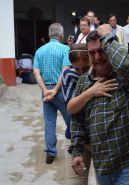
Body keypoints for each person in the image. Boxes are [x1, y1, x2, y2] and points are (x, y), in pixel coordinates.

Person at [70, 25, 129, 185]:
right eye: (92, 53)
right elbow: (78, 120)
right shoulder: (83, 82)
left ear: (110, 47)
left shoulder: (126, 74)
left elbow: (127, 65)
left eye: (102, 50)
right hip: (102, 165)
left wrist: (108, 37)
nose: (97, 57)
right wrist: (76, 151)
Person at [62, 43, 118, 185]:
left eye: (85, 68)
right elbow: (71, 108)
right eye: (76, 68)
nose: (80, 72)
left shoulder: (103, 74)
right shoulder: (69, 75)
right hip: (76, 140)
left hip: (102, 141)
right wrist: (91, 92)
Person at [33, 23, 71, 164]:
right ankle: (75, 148)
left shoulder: (39, 51)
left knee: (49, 123)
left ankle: (50, 152)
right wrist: (55, 91)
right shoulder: (65, 49)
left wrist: (45, 91)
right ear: (61, 35)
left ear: (49, 35)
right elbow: (65, 72)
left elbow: (36, 73)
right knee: (70, 119)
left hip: (46, 91)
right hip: (61, 91)